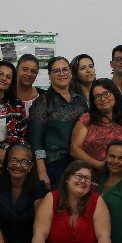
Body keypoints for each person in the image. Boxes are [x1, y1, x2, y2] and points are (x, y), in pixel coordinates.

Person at [23, 160, 114, 243]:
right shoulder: (51, 198)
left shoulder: (98, 201)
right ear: (67, 178)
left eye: (87, 178)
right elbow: (40, 234)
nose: (83, 181)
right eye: (79, 176)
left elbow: (104, 237)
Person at [30, 56, 88, 187]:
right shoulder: (42, 102)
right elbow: (36, 141)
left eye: (65, 69)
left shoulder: (80, 100)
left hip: (80, 162)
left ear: (71, 72)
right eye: (56, 71)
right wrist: (42, 172)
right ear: (49, 75)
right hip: (54, 164)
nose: (62, 74)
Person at [72, 79, 122, 172]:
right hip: (90, 176)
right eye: (97, 96)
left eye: (106, 94)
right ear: (93, 101)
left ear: (115, 94)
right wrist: (99, 165)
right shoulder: (86, 119)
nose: (103, 99)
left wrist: (121, 165)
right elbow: (75, 149)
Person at [0, 60, 26, 162]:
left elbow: (23, 136)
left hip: (9, 159)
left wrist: (7, 156)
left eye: (8, 77)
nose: (3, 79)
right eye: (0, 74)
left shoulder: (17, 105)